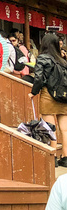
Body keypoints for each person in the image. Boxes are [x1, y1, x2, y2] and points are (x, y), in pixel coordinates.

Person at [29, 32, 67, 168]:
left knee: (50, 128)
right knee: (65, 129)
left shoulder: (42, 58)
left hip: (48, 95)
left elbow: (39, 77)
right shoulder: (62, 60)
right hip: (63, 96)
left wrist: (33, 92)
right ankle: (65, 157)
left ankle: (53, 158)